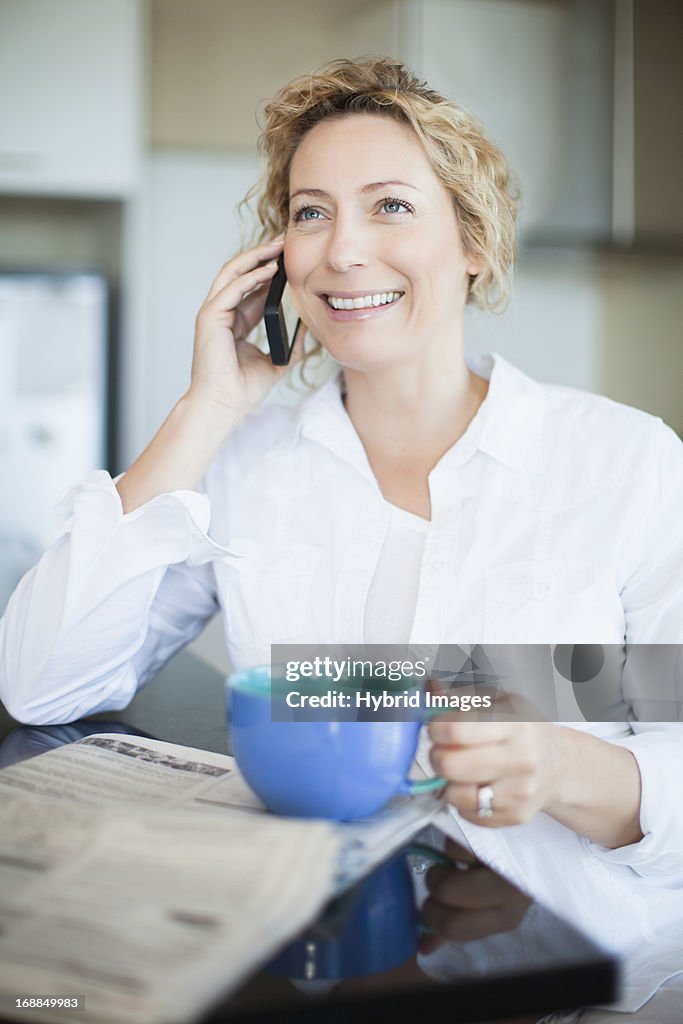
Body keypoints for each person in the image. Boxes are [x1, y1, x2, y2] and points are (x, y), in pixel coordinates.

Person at [0, 58, 681, 920]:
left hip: (574, 969)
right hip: (311, 945)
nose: (343, 250)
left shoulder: (626, 462)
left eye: (390, 205)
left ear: (473, 242)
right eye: (310, 213)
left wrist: (559, 767)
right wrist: (204, 409)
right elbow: (42, 685)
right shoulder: (245, 464)